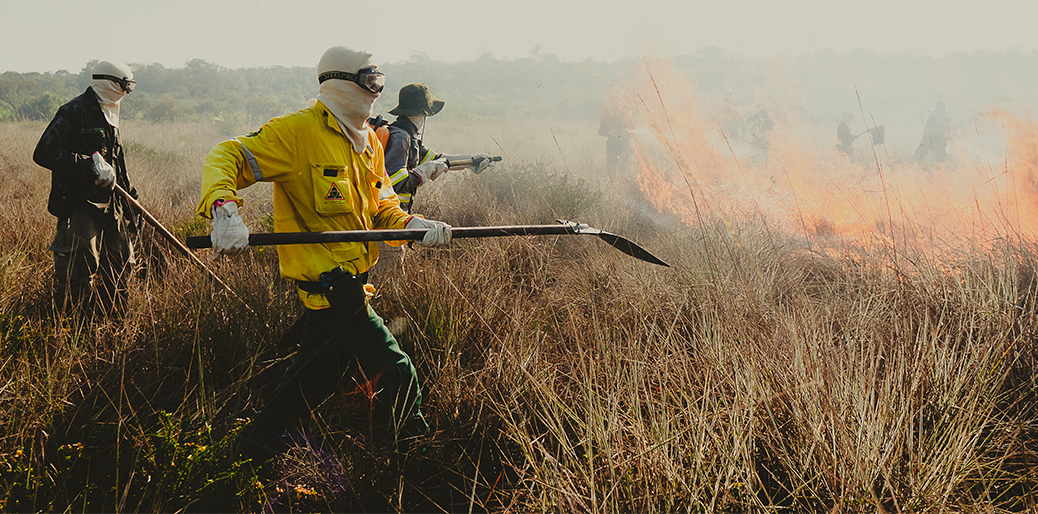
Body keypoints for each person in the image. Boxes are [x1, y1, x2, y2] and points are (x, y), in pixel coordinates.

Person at [196, 47, 452, 453]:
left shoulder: (367, 140)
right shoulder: (297, 132)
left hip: (354, 282)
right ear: (340, 80)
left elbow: (382, 202)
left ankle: (252, 447)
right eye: (370, 81)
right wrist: (223, 209)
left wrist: (410, 224)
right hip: (332, 287)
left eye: (380, 81)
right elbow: (225, 154)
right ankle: (411, 447)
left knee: (316, 376)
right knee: (396, 368)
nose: (377, 91)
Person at [33, 60, 139, 315]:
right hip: (79, 203)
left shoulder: (111, 111)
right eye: (126, 85)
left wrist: (130, 194)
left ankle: (113, 324)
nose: (127, 91)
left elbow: (114, 161)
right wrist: (86, 165)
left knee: (121, 264)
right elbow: (43, 152)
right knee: (79, 267)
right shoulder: (73, 110)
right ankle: (74, 328)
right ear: (110, 82)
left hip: (112, 203)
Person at [370, 83, 493, 278]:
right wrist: (421, 174)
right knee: (388, 282)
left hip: (395, 221)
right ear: (424, 113)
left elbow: (438, 159)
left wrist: (471, 161)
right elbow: (394, 182)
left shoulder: (408, 136)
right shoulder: (401, 137)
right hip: (387, 224)